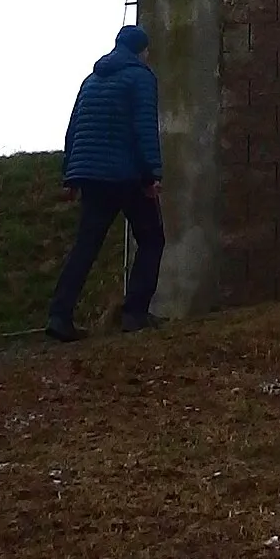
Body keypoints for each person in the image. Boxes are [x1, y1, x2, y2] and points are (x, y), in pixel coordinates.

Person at [47, 24, 165, 341]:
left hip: (92, 177)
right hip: (126, 176)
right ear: (142, 50)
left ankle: (59, 316)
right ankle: (134, 313)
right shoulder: (141, 77)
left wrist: (69, 174)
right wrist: (151, 174)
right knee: (153, 239)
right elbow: (144, 128)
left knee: (86, 246)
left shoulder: (92, 80)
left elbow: (74, 128)